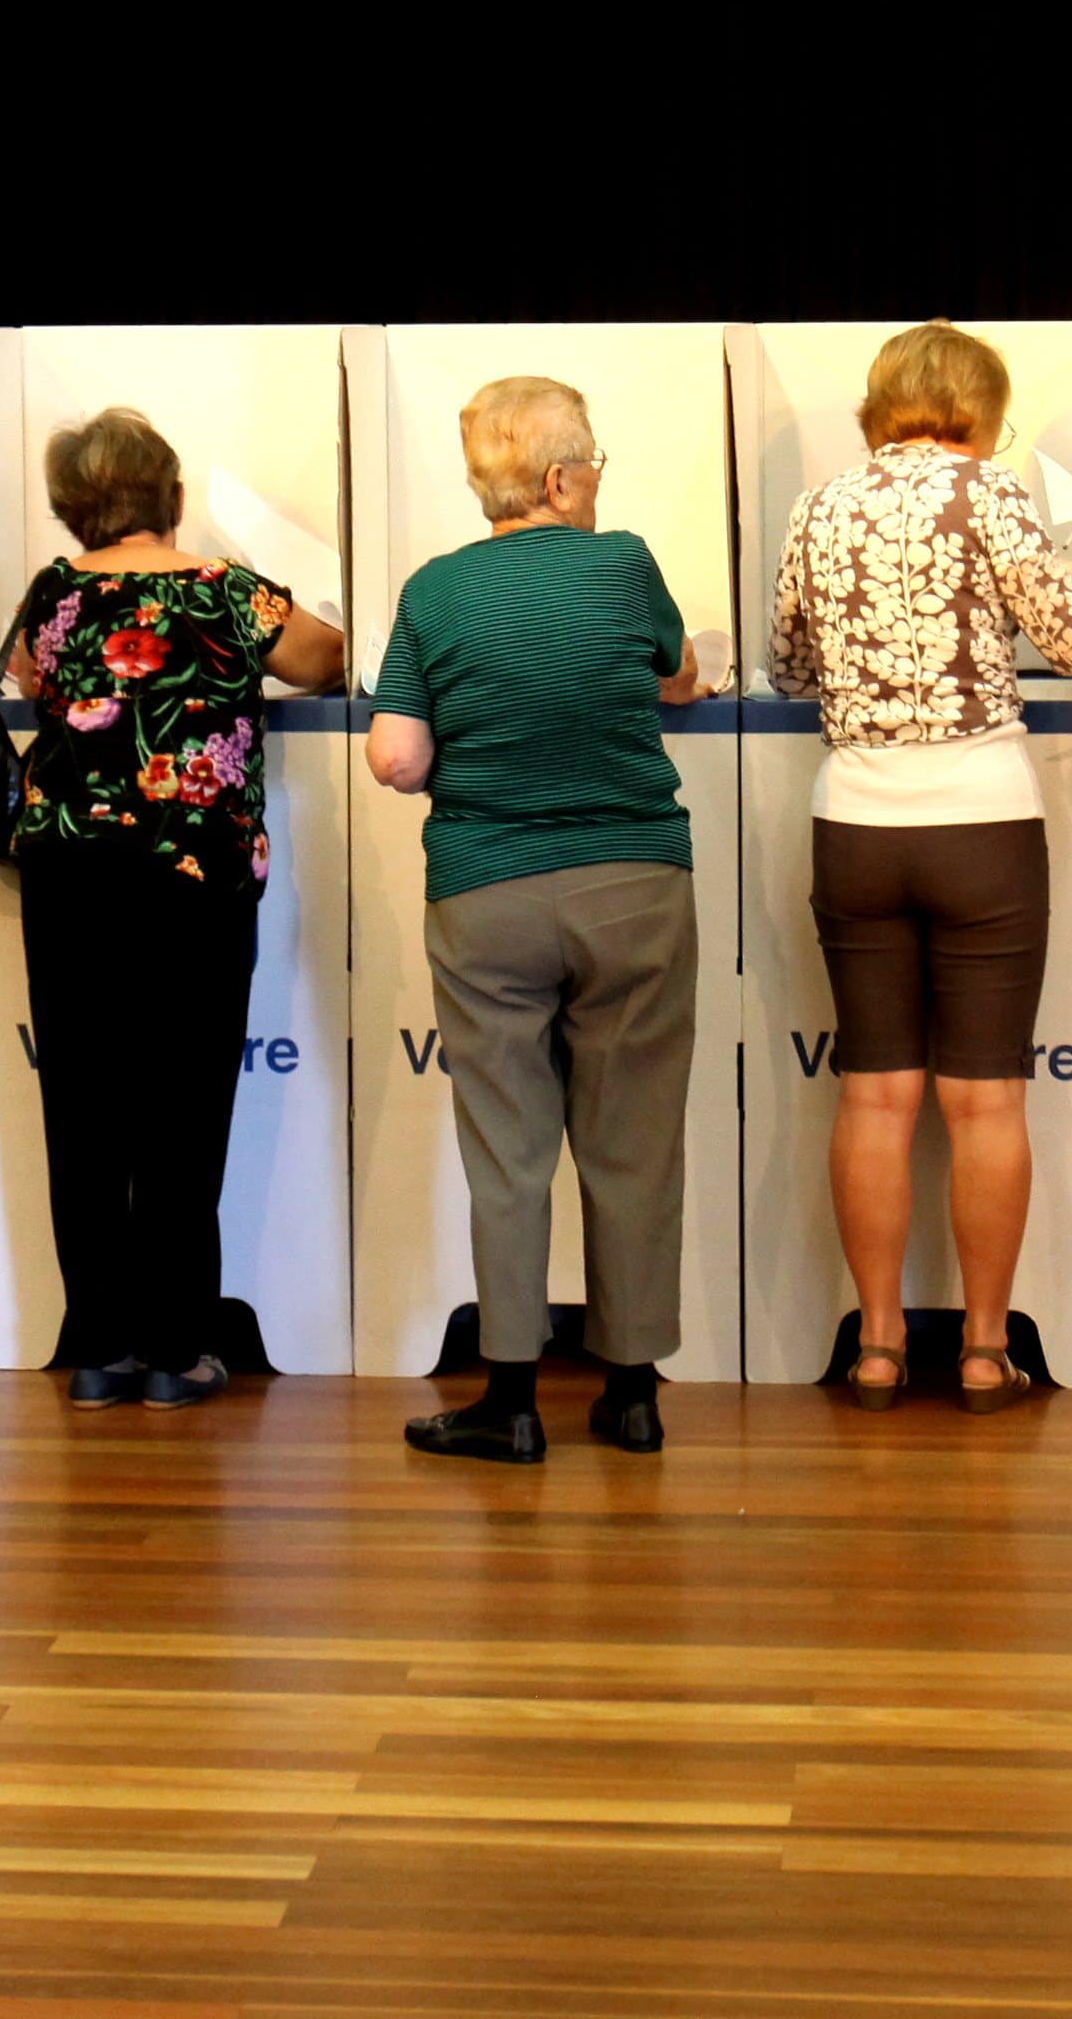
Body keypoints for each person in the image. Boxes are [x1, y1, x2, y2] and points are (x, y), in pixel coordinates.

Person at [762, 325, 1072, 1410]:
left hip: (856, 821)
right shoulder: (993, 492)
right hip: (983, 825)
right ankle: (979, 1349)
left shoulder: (820, 505)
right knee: (986, 1105)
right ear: (981, 408)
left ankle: (875, 1347)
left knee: (875, 1097)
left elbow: (787, 665)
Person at [373, 377, 716, 1463]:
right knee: (636, 1145)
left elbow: (397, 755)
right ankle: (631, 1394)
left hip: (488, 895)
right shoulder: (622, 565)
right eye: (597, 463)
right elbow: (679, 676)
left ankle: (511, 1399)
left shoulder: (431, 591)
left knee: (507, 1154)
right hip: (635, 886)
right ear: (563, 479)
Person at [3, 408, 348, 1411]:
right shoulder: (228, 592)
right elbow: (323, 660)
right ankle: (176, 1349)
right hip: (196, 880)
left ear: (72, 505)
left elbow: (34, 682)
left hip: (70, 879)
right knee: (184, 1111)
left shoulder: (56, 592)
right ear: (171, 494)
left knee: (83, 1108)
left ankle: (99, 1351)